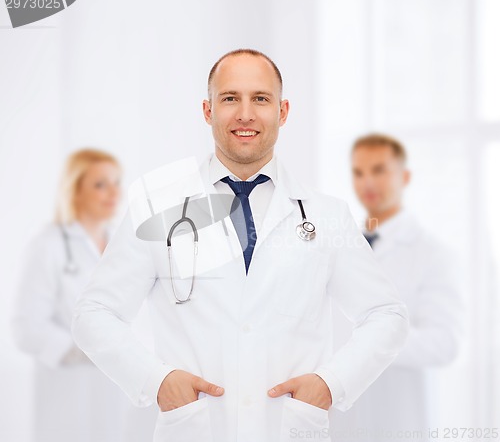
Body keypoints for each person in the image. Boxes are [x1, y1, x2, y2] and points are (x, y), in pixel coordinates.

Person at [71, 49, 410, 442]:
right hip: (195, 428)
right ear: (207, 110)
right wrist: (156, 380)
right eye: (230, 98)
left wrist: (332, 384)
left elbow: (387, 315)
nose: (245, 114)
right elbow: (93, 314)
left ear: (283, 112)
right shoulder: (158, 211)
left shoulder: (325, 214)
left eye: (260, 99)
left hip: (290, 429)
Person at [338, 133, 464, 441]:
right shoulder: (342, 244)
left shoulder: (432, 253)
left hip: (397, 416)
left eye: (379, 170)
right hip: (341, 413)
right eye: (358, 172)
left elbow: (444, 342)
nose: (367, 182)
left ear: (404, 176)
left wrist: (371, 341)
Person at [11, 149, 140, 442]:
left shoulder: (123, 244)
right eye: (100, 184)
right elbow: (26, 328)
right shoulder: (48, 244)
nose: (113, 192)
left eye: (117, 182)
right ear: (75, 190)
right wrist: (80, 351)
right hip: (67, 388)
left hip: (115, 389)